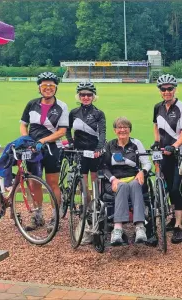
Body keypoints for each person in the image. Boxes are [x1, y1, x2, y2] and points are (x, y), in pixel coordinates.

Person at [20, 72, 69, 232]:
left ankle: (55, 218)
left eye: (51, 86)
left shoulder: (61, 106)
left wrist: (44, 140)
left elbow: (62, 131)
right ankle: (38, 216)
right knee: (34, 183)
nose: (48, 89)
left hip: (52, 148)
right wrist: (25, 139)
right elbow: (23, 124)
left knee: (52, 182)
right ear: (39, 88)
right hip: (32, 148)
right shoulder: (31, 104)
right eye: (44, 86)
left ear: (56, 88)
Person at [152, 74, 182, 244]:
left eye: (170, 89)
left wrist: (174, 146)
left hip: (179, 154)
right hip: (163, 154)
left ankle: (179, 226)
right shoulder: (157, 107)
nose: (167, 92)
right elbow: (156, 126)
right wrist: (156, 142)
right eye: (163, 89)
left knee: (176, 189)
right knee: (167, 187)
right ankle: (174, 219)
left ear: (175, 89)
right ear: (160, 91)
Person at [66, 81, 106, 244]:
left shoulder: (99, 113)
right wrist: (70, 143)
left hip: (94, 152)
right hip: (80, 152)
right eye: (82, 94)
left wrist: (99, 147)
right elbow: (67, 129)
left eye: (89, 94)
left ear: (94, 96)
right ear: (78, 96)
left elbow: (102, 132)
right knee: (83, 186)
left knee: (96, 184)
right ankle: (86, 212)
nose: (86, 97)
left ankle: (97, 211)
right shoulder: (73, 112)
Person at [102, 117, 151, 246]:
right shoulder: (110, 145)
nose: (122, 130)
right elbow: (104, 167)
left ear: (130, 130)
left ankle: (140, 227)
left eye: (125, 127)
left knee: (135, 184)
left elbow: (147, 163)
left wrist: (142, 172)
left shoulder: (136, 144)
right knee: (122, 186)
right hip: (115, 179)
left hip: (133, 177)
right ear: (115, 130)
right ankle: (117, 229)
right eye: (119, 127)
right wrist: (113, 179)